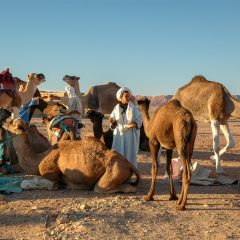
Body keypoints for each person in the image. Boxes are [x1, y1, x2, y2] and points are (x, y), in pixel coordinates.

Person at [109, 87, 142, 168]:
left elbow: (139, 119)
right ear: (121, 97)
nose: (128, 98)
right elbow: (112, 120)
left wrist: (135, 123)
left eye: (128, 96)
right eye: (126, 96)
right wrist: (112, 122)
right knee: (118, 154)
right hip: (119, 135)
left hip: (129, 134)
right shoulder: (116, 108)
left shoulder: (133, 108)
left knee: (129, 154)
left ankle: (129, 174)